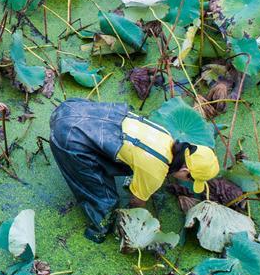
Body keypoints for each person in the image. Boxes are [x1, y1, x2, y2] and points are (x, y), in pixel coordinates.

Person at [49, 99, 220, 242]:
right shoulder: (155, 171)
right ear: (184, 169)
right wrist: (138, 224)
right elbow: (136, 203)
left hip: (75, 109)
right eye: (190, 179)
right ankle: (99, 230)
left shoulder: (166, 136)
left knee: (124, 163)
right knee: (105, 199)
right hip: (70, 136)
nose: (186, 182)